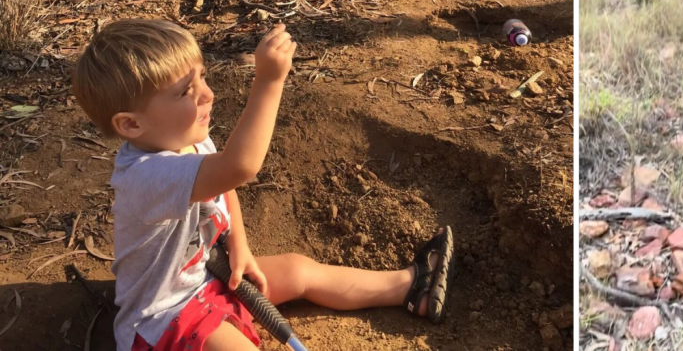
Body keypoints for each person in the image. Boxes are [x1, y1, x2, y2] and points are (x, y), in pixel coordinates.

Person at [72, 19, 453, 351]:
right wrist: (269, 80)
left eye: (202, 76)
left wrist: (240, 246)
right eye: (186, 92)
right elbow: (240, 167)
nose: (208, 94)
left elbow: (224, 185)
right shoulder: (145, 175)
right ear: (132, 125)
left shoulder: (185, 138)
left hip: (209, 279)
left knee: (298, 270)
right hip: (166, 321)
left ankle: (409, 287)